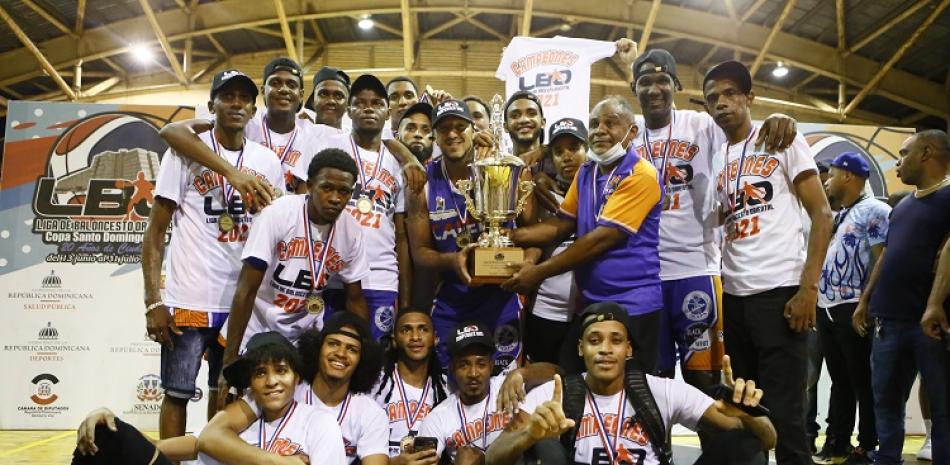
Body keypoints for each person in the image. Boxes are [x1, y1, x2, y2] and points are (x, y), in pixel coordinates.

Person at [142, 68, 285, 438]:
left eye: (244, 98)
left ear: (255, 110)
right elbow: (155, 231)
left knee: (226, 392)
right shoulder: (184, 154)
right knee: (176, 393)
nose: (236, 103)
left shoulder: (267, 161)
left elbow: (277, 227)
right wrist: (152, 301)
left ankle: (213, 461)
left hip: (241, 300)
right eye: (228, 96)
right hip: (191, 296)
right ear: (212, 106)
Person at [704, 60, 833, 465]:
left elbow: (823, 215)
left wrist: (807, 288)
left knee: (788, 421)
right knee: (748, 412)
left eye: (729, 94)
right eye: (713, 98)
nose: (721, 103)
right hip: (737, 298)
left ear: (749, 98)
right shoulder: (719, 157)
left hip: (780, 292)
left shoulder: (781, 137)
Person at [484, 302, 776, 465]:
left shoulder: (661, 390)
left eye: (616, 340)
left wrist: (749, 415)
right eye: (594, 340)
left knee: (745, 448)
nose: (605, 349)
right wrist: (530, 435)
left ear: (629, 350)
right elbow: (493, 458)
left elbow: (766, 441)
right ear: (580, 349)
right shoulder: (554, 393)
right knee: (546, 450)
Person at [504, 95, 666, 374]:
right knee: (570, 377)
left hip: (632, 305)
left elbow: (598, 241)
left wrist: (538, 272)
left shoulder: (641, 174)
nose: (599, 130)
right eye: (594, 124)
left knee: (630, 394)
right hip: (591, 303)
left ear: (632, 131)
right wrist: (508, 237)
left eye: (610, 123)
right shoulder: (588, 172)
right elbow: (561, 225)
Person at [219, 148, 370, 397]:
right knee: (237, 404)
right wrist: (230, 359)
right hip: (258, 327)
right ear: (310, 186)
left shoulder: (351, 231)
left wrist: (365, 353)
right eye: (327, 188)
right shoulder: (278, 214)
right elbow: (247, 289)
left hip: (305, 334)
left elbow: (355, 298)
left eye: (343, 191)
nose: (335, 198)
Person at [73, 331, 346, 465]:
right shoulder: (235, 422)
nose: (272, 381)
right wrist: (107, 418)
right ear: (250, 383)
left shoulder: (319, 424)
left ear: (296, 377)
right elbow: (159, 446)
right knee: (105, 433)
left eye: (282, 371)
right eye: (260, 373)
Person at [406, 99, 532, 373]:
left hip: (500, 299)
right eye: (444, 129)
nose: (452, 134)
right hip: (452, 299)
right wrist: (455, 261)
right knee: (451, 381)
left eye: (460, 127)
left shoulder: (498, 168)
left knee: (503, 388)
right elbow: (419, 252)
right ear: (435, 136)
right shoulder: (422, 182)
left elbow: (532, 234)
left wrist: (529, 264)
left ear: (472, 130)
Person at [852, 129, 950, 465]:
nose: (897, 163)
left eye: (904, 153)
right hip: (888, 322)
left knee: (943, 404)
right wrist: (866, 300)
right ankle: (887, 459)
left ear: (927, 152)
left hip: (932, 326)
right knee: (886, 403)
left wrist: (935, 303)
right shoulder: (904, 205)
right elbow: (888, 255)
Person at [291, 74, 412, 338]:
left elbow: (401, 236)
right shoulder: (326, 144)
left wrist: (404, 302)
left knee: (373, 361)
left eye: (377, 103)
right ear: (349, 110)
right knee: (328, 357)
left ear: (388, 112)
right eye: (360, 102)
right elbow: (300, 205)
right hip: (328, 275)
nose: (368, 108)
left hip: (380, 277)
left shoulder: (398, 161)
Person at [207, 312, 390, 465]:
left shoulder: (370, 413)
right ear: (317, 349)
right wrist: (279, 462)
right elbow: (212, 435)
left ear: (363, 360)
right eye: (333, 343)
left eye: (352, 349)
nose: (341, 354)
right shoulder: (281, 390)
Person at [814, 153, 889, 464]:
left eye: (830, 175)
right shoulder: (844, 214)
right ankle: (838, 440)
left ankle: (868, 443)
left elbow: (882, 259)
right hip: (828, 307)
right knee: (840, 380)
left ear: (848, 176)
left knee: (862, 380)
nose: (826, 182)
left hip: (852, 306)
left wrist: (866, 303)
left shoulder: (876, 210)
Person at [416, 321, 558, 465]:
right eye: (463, 365)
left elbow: (559, 372)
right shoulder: (438, 417)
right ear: (452, 368)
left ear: (491, 366)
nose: (473, 373)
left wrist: (523, 373)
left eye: (481, 364)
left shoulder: (509, 386)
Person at [523, 118, 587, 364]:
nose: (567, 156)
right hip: (547, 309)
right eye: (559, 152)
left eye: (574, 148)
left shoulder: (603, 188)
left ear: (587, 150)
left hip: (589, 308)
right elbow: (535, 240)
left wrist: (543, 150)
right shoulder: (542, 193)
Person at [372, 307, 449, 464]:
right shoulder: (374, 382)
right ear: (394, 339)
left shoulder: (447, 387)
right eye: (406, 330)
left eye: (423, 329)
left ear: (435, 338)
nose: (415, 337)